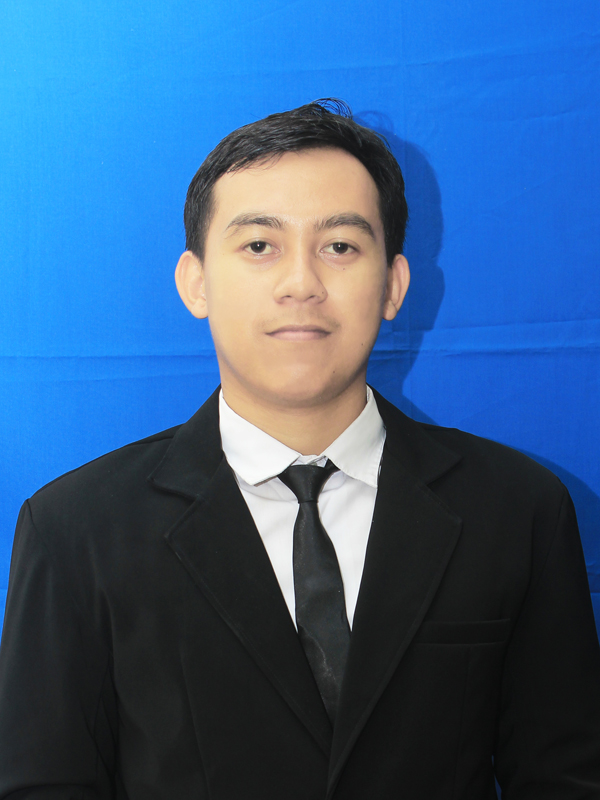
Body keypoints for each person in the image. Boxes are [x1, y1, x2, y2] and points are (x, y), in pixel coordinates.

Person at [0, 99, 599, 800]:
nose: (301, 285)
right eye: (260, 246)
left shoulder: (518, 509)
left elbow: (567, 776)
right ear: (196, 282)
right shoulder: (76, 529)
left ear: (394, 286)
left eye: (340, 246)